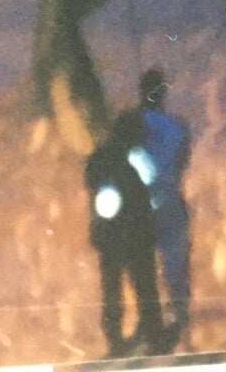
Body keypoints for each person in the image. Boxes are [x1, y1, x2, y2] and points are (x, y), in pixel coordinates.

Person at [88, 107, 167, 357]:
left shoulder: (101, 159)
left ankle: (117, 339)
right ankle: (152, 335)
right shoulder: (126, 162)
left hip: (111, 237)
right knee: (144, 287)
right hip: (133, 236)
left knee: (113, 291)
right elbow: (141, 196)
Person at [140, 68, 193, 343]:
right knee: (176, 264)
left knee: (144, 267)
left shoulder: (131, 125)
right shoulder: (178, 126)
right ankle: (180, 322)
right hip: (171, 200)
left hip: (140, 206)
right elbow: (183, 161)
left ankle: (150, 324)